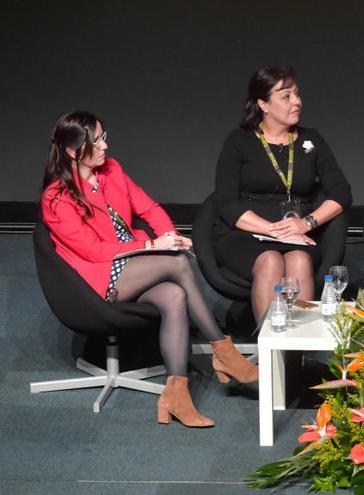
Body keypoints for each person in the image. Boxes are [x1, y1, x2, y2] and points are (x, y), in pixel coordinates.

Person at [41, 111, 258, 428]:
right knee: (177, 264)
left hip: (134, 264)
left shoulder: (111, 171)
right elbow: (92, 250)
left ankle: (175, 396)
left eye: (104, 136)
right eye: (97, 140)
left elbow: (149, 208)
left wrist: (171, 238)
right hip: (100, 280)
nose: (105, 145)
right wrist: (151, 248)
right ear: (73, 150)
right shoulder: (57, 197)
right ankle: (224, 352)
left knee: (173, 296)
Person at [213, 65, 352, 320]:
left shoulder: (312, 140)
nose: (296, 102)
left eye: (297, 94)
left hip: (296, 234)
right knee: (271, 260)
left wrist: (305, 224)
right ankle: (269, 355)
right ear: (264, 104)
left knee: (298, 260)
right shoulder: (239, 141)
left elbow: (342, 193)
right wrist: (271, 229)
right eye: (286, 96)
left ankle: (298, 354)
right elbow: (225, 202)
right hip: (245, 233)